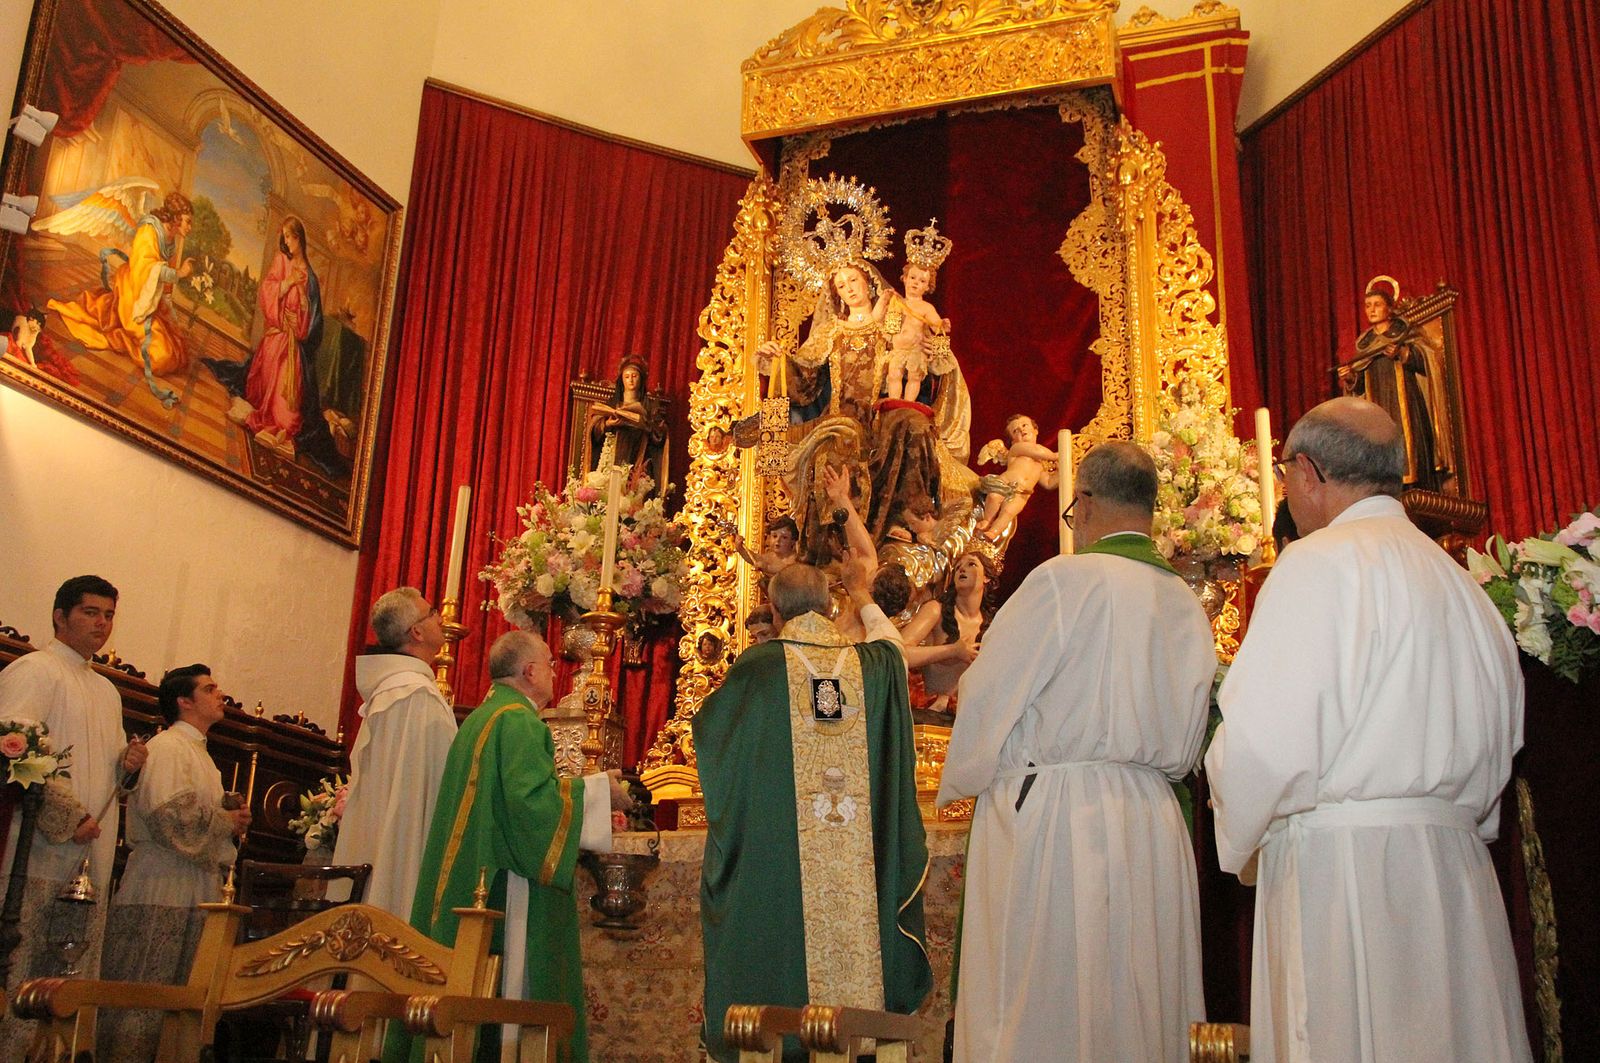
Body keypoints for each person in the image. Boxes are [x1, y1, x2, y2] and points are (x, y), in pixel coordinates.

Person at [1204, 397, 1530, 1063]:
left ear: (1306, 472)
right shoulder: (1462, 584)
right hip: (1456, 874)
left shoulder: (1317, 563)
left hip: (1345, 877)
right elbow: (1504, 744)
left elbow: (1265, 744)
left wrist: (1232, 817)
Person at [937, 442, 1216, 1063]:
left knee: (1046, 1001)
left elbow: (988, 689)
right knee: (1142, 1002)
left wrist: (967, 772)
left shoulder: (1065, 581)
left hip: (1060, 819)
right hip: (1152, 819)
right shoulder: (1187, 602)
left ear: (1083, 502)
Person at [694, 563, 931, 1063]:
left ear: (775, 613)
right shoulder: (872, 666)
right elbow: (892, 643)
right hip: (859, 857)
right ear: (829, 606)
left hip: (780, 860)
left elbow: (715, 743)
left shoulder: (758, 670)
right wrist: (863, 594)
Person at [392, 630, 629, 1063]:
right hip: (506, 885)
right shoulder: (518, 721)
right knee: (512, 1002)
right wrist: (600, 793)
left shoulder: (481, 718)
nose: (557, 672)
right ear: (530, 671)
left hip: (478, 874)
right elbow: (531, 807)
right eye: (550, 664)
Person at [0, 576, 147, 1061]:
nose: (101, 623)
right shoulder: (33, 671)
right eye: (90, 612)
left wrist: (126, 768)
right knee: (22, 971)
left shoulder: (106, 691)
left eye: (108, 614)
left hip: (90, 852)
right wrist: (69, 816)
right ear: (60, 617)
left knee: (68, 976)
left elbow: (108, 779)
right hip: (36, 850)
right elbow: (14, 755)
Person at [97, 664, 250, 1063]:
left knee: (181, 999)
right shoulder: (168, 747)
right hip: (160, 884)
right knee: (145, 993)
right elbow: (170, 818)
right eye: (210, 688)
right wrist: (224, 821)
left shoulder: (199, 754)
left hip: (193, 885)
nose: (221, 695)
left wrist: (228, 818)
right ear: (184, 701)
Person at [329, 587, 457, 920]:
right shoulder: (417, 695)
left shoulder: (391, 691)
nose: (440, 618)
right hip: (406, 847)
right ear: (416, 631)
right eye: (431, 613)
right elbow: (443, 784)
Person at [204, 216, 349, 476]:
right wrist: (287, 285)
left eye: (291, 237)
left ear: (300, 239)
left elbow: (312, 323)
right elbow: (267, 291)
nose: (287, 242)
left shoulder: (311, 279)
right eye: (284, 237)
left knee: (289, 418)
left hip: (294, 345)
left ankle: (280, 423)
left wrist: (300, 318)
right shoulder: (282, 262)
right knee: (269, 390)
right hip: (275, 339)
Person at [46, 190, 195, 407]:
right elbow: (144, 269)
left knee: (178, 353)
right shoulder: (148, 230)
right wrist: (178, 274)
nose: (189, 227)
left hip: (148, 296)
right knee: (161, 357)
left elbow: (161, 276)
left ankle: (118, 326)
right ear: (176, 217)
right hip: (133, 295)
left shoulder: (170, 238)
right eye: (187, 222)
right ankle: (121, 334)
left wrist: (169, 305)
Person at [1337, 281, 1448, 490]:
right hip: (1378, 408)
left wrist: (1403, 354)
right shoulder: (1365, 343)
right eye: (1368, 305)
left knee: (1409, 448)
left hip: (1405, 404)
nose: (1371, 310)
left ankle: (1415, 488)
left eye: (1377, 304)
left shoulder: (1404, 332)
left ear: (1389, 308)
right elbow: (1360, 384)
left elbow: (1428, 360)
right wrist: (1351, 377)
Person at [974, 413, 1059, 541]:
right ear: (1013, 440)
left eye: (1025, 425)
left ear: (1035, 430)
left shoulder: (1041, 464)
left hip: (1022, 494)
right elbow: (1037, 451)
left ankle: (994, 531)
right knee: (993, 497)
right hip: (1005, 483)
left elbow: (1048, 483)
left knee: (1008, 512)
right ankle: (987, 520)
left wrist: (1062, 469)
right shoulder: (1017, 449)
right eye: (1015, 431)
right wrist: (1056, 456)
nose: (1021, 430)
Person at [586, 357, 666, 491]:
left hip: (638, 455)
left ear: (641, 379)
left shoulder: (649, 407)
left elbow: (660, 434)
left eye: (634, 376)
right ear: (622, 380)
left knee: (634, 493)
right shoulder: (613, 403)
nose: (631, 380)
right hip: (613, 454)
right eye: (627, 376)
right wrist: (607, 424)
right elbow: (594, 429)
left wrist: (645, 425)